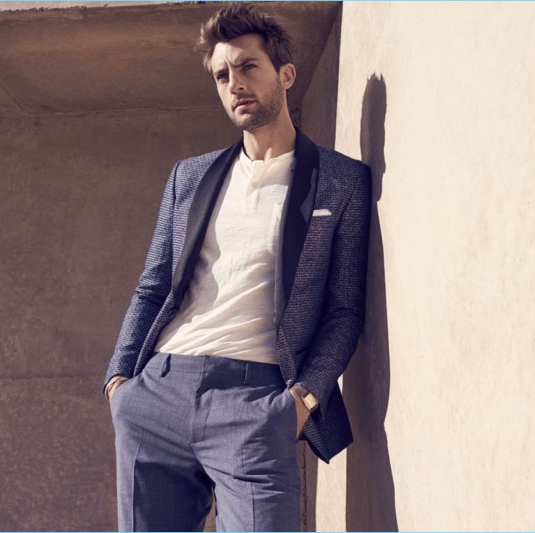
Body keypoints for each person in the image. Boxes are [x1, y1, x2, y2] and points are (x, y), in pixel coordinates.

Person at [103, 4, 371, 531]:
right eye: (222, 75)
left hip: (257, 402)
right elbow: (153, 284)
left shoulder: (341, 180)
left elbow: (344, 311)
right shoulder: (190, 176)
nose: (235, 84)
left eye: (248, 67)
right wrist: (119, 382)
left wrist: (302, 400)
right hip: (157, 393)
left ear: (285, 75)